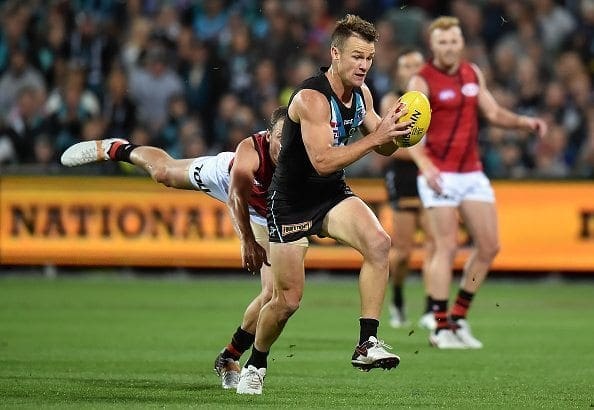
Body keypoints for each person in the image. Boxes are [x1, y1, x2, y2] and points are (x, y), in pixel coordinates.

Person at [236, 14, 411, 395]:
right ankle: (256, 363)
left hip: (330, 194)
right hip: (291, 203)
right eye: (356, 56)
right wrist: (375, 138)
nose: (364, 65)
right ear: (335, 53)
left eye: (369, 58)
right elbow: (321, 160)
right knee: (286, 301)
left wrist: (400, 133)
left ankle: (367, 343)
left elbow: (380, 142)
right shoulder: (312, 98)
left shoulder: (362, 95)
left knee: (380, 243)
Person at [61, 107, 289, 389]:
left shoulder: (305, 154)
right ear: (269, 136)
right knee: (163, 172)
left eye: (291, 137)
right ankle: (116, 148)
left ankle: (229, 356)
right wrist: (247, 241)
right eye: (280, 136)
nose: (285, 143)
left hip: (268, 213)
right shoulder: (250, 152)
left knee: (273, 294)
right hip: (231, 187)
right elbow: (236, 197)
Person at [407, 16, 547, 349]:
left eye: (454, 41)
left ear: (461, 42)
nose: (449, 46)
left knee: (489, 246)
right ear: (433, 45)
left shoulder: (472, 72)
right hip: (439, 172)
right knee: (446, 247)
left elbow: (494, 113)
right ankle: (439, 327)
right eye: (443, 42)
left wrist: (524, 122)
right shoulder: (421, 80)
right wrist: (424, 164)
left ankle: (457, 318)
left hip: (471, 171)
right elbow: (409, 128)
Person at [378, 47, 436, 330]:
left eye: (417, 65)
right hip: (404, 177)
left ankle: (431, 307)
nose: (412, 70)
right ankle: (398, 298)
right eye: (406, 66)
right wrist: (426, 156)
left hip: (432, 177)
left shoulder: (433, 102)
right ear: (399, 72)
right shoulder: (392, 101)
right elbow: (390, 147)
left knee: (436, 245)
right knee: (402, 253)